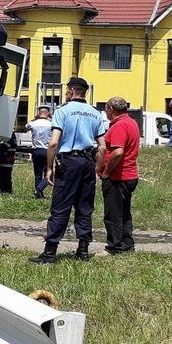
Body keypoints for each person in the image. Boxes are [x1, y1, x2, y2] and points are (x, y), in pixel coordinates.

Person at [31, 77, 107, 264]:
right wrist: (97, 167)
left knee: (61, 206)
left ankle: (50, 252)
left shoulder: (63, 111)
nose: (65, 92)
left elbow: (54, 142)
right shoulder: (95, 113)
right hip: (88, 161)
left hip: (69, 162)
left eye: (67, 90)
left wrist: (49, 168)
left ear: (72, 90)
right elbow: (103, 147)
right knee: (84, 207)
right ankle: (82, 250)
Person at [98, 96, 140, 255]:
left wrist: (106, 171)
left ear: (111, 109)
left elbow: (118, 152)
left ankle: (114, 247)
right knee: (124, 212)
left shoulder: (119, 126)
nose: (105, 112)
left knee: (113, 213)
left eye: (106, 108)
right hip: (129, 175)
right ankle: (126, 244)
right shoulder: (132, 122)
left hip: (118, 177)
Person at [27, 106, 54, 199]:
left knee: (37, 173)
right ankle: (39, 189)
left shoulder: (33, 124)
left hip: (35, 150)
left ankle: (38, 193)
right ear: (48, 113)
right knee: (48, 173)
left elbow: (27, 126)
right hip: (47, 150)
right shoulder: (51, 124)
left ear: (39, 113)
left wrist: (35, 118)